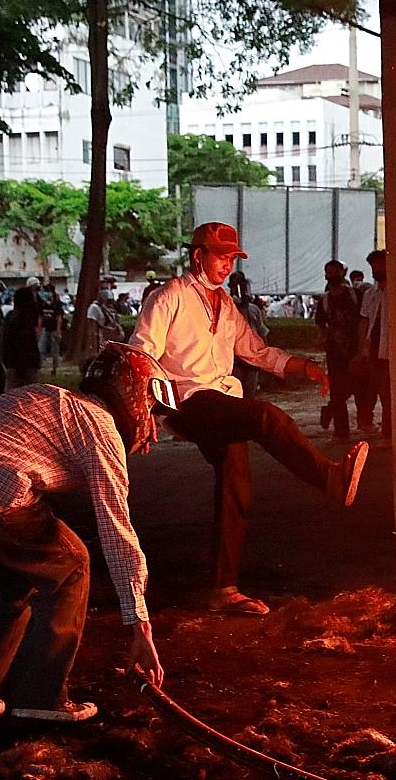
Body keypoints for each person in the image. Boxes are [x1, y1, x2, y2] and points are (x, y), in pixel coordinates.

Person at [0, 343, 172, 729]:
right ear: (133, 395)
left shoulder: (54, 398)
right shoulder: (100, 427)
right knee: (71, 566)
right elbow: (116, 528)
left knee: (8, 588)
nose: (152, 428)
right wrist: (139, 624)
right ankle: (43, 698)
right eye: (152, 412)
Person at [131, 222, 369, 616]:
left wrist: (302, 367)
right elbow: (141, 355)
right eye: (221, 256)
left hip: (221, 403)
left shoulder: (226, 306)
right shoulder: (169, 296)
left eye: (231, 258)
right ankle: (328, 477)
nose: (227, 265)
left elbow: (256, 352)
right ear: (197, 256)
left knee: (236, 486)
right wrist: (144, 415)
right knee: (264, 416)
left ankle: (223, 589)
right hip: (188, 402)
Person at [314, 260, 362, 439]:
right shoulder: (325, 300)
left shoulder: (356, 295)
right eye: (330, 272)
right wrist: (325, 340)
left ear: (342, 272)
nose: (333, 275)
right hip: (334, 352)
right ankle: (341, 432)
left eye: (336, 271)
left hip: (354, 350)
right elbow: (320, 325)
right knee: (337, 389)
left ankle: (331, 409)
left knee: (355, 386)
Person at [356, 249, 390, 438]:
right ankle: (387, 431)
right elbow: (364, 321)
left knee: (388, 394)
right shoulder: (370, 294)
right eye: (374, 266)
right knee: (381, 392)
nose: (377, 270)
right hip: (375, 350)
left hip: (393, 350)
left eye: (380, 265)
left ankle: (389, 431)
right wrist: (362, 348)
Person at [227, 271, 270, 398]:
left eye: (242, 285)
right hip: (234, 362)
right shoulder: (227, 308)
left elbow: (262, 332)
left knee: (249, 395)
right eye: (236, 286)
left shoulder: (253, 309)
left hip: (252, 361)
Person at [2, 286, 44, 389]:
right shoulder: (26, 319)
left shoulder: (10, 316)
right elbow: (27, 342)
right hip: (27, 364)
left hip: (12, 363)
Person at [36, 279, 65, 376]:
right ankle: (39, 368)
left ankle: (54, 369)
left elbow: (59, 318)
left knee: (54, 350)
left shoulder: (57, 304)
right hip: (44, 329)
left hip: (53, 330)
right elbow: (40, 317)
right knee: (41, 349)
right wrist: (39, 330)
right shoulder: (41, 303)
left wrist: (58, 331)